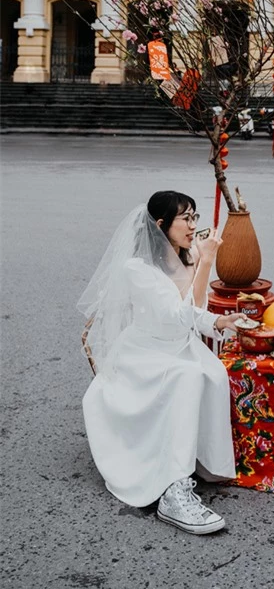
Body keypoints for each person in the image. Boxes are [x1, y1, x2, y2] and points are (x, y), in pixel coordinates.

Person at [78, 190, 241, 534]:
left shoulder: (190, 254)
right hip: (145, 353)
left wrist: (219, 322)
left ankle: (200, 459)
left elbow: (195, 311)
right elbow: (176, 315)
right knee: (186, 378)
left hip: (181, 346)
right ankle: (172, 489)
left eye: (196, 217)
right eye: (187, 218)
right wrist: (207, 263)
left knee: (213, 371)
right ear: (161, 225)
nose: (193, 226)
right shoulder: (137, 269)